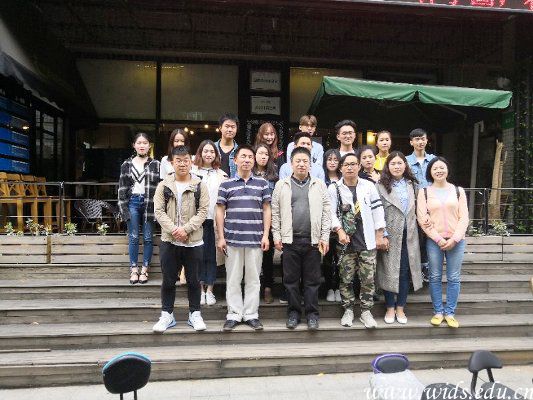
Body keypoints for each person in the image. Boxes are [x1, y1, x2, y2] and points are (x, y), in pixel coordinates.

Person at [271, 147, 331, 330]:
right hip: (290, 241)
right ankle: (293, 313)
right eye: (298, 161)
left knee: (312, 281)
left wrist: (325, 237)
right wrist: (276, 235)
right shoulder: (282, 185)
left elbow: (326, 212)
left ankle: (312, 315)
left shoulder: (319, 184)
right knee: (290, 281)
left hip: (313, 241)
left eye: (305, 161)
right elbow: (275, 212)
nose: (302, 164)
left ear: (310, 164)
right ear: (291, 164)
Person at [152, 146, 210, 333]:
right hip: (169, 241)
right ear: (172, 162)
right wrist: (174, 230)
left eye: (186, 160)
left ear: (191, 162)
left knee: (194, 280)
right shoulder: (163, 185)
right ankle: (167, 314)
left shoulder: (200, 185)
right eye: (178, 160)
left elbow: (203, 212)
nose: (182, 164)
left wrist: (186, 229)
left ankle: (195, 314)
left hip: (193, 241)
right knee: (168, 280)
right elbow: (158, 212)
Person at [328, 153, 387, 329]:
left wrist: (379, 234)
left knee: (368, 279)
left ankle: (366, 312)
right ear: (341, 168)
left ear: (359, 167)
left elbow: (378, 211)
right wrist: (339, 230)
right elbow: (330, 213)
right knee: (346, 278)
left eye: (353, 164)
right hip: (345, 241)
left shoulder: (368, 186)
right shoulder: (334, 188)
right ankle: (348, 309)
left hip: (367, 240)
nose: (350, 167)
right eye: (346, 164)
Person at [216, 145, 272, 331]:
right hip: (232, 239)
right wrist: (221, 237)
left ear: (254, 161)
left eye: (250, 157)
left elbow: (267, 209)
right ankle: (233, 314)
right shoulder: (226, 185)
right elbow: (219, 210)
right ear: (235, 160)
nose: (247, 160)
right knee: (233, 278)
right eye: (243, 156)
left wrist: (266, 235)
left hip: (255, 239)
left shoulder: (262, 184)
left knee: (253, 279)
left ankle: (251, 314)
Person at [417, 157, 469, 329]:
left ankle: (450, 313)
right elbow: (422, 219)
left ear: (447, 170)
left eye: (442, 167)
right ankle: (438, 312)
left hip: (456, 240)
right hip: (434, 241)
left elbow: (464, 218)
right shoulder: (424, 192)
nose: (439, 170)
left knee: (454, 277)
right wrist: (438, 239)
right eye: (435, 168)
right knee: (435, 276)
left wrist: (455, 239)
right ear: (430, 172)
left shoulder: (458, 191)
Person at [376, 151, 423, 325]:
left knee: (404, 272)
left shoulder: (413, 185)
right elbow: (377, 211)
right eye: (393, 163)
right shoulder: (380, 185)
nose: (397, 166)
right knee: (388, 271)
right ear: (387, 166)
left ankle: (400, 307)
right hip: (389, 236)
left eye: (400, 163)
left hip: (409, 236)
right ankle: (390, 307)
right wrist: (382, 234)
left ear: (405, 165)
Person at [118, 132, 160, 285]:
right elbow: (122, 188)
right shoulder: (126, 164)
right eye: (139, 143)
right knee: (134, 236)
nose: (142, 145)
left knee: (148, 237)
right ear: (134, 145)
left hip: (150, 203)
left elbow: (160, 187)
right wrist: (123, 208)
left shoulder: (156, 164)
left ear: (149, 146)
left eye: (145, 143)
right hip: (133, 202)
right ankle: (134, 269)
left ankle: (145, 270)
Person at [192, 140, 228, 306]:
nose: (208, 154)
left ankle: (210, 290)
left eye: (212, 151)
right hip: (196, 221)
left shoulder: (222, 175)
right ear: (200, 153)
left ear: (216, 155)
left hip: (215, 220)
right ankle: (200, 290)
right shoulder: (192, 172)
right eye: (205, 151)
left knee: (212, 257)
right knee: (198, 256)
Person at [406, 128, 436, 283]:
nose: (420, 142)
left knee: (431, 236)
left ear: (426, 140)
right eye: (416, 139)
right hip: (413, 206)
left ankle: (429, 269)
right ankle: (415, 272)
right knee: (416, 238)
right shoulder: (405, 161)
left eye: (422, 138)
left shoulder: (434, 160)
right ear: (411, 142)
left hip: (432, 206)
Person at [253, 143, 279, 304]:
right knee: (252, 257)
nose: (263, 156)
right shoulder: (248, 173)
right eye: (260, 153)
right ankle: (254, 288)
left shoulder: (274, 174)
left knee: (267, 256)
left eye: (266, 154)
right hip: (251, 219)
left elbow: (276, 199)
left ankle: (268, 287)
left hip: (268, 220)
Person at [322, 149, 342, 303]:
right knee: (328, 259)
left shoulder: (344, 178)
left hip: (343, 225)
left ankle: (340, 288)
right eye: (329, 159)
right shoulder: (320, 178)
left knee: (342, 259)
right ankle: (329, 287)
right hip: (325, 226)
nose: (333, 162)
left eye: (336, 159)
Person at [215, 113, 240, 178]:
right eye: (227, 126)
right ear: (220, 128)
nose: (230, 130)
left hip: (233, 184)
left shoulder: (240, 151)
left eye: (233, 127)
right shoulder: (212, 148)